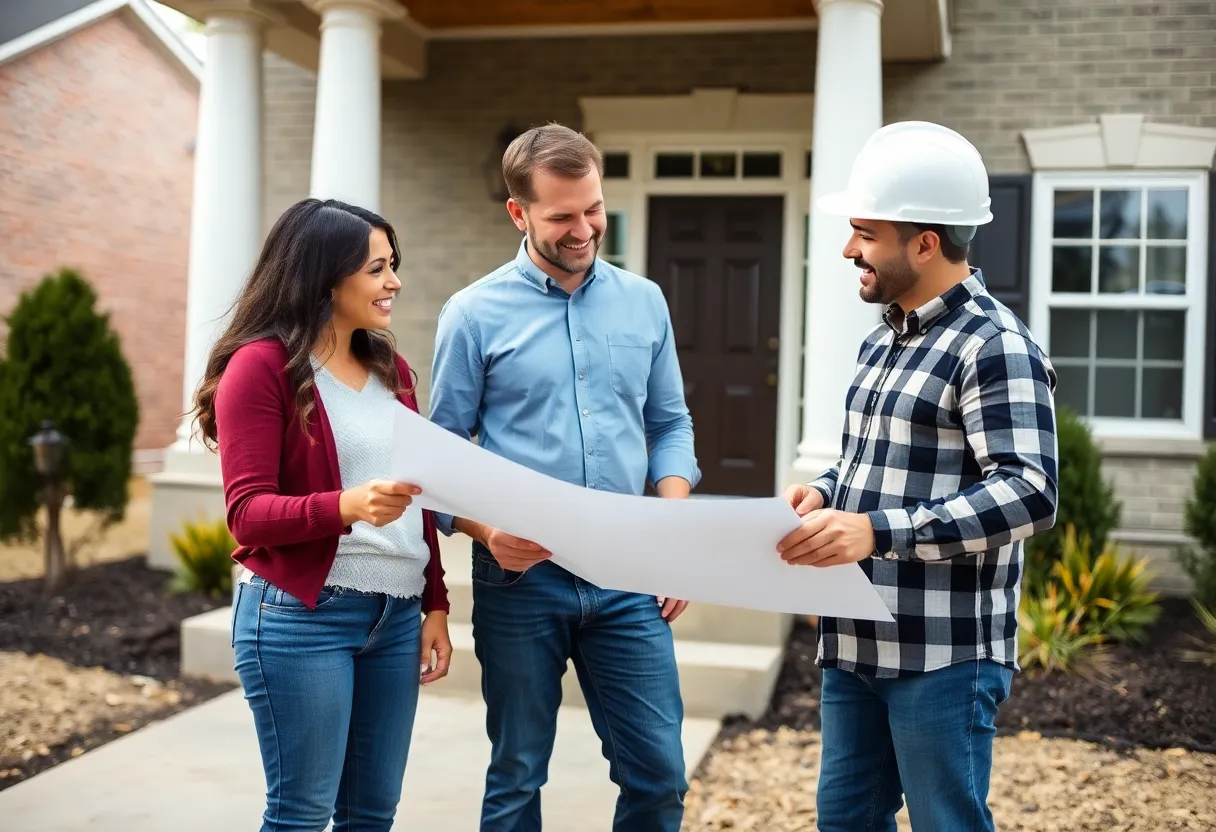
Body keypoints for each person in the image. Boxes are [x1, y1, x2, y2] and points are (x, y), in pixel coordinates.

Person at [775, 122, 1059, 831]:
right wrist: (828, 493)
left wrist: (874, 530)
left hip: (946, 653)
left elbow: (1029, 491)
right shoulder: (885, 339)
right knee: (844, 823)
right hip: (857, 642)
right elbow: (880, 459)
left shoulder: (995, 346)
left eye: (865, 234)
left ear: (925, 243)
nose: (849, 250)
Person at [429, 123, 700, 831]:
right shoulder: (472, 315)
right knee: (517, 773)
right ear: (519, 214)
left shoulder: (644, 302)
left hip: (628, 573)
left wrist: (670, 525)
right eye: (561, 216)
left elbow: (670, 425)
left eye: (593, 209)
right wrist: (486, 530)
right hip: (520, 581)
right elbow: (438, 461)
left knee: (660, 775)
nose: (584, 229)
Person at [191, 198, 453, 832]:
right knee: (301, 816)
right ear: (324, 277)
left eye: (394, 265)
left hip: (393, 617)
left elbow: (419, 499)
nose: (394, 282)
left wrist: (436, 602)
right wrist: (346, 506)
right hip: (301, 620)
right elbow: (248, 514)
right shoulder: (260, 367)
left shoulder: (392, 369)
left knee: (372, 815)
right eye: (376, 268)